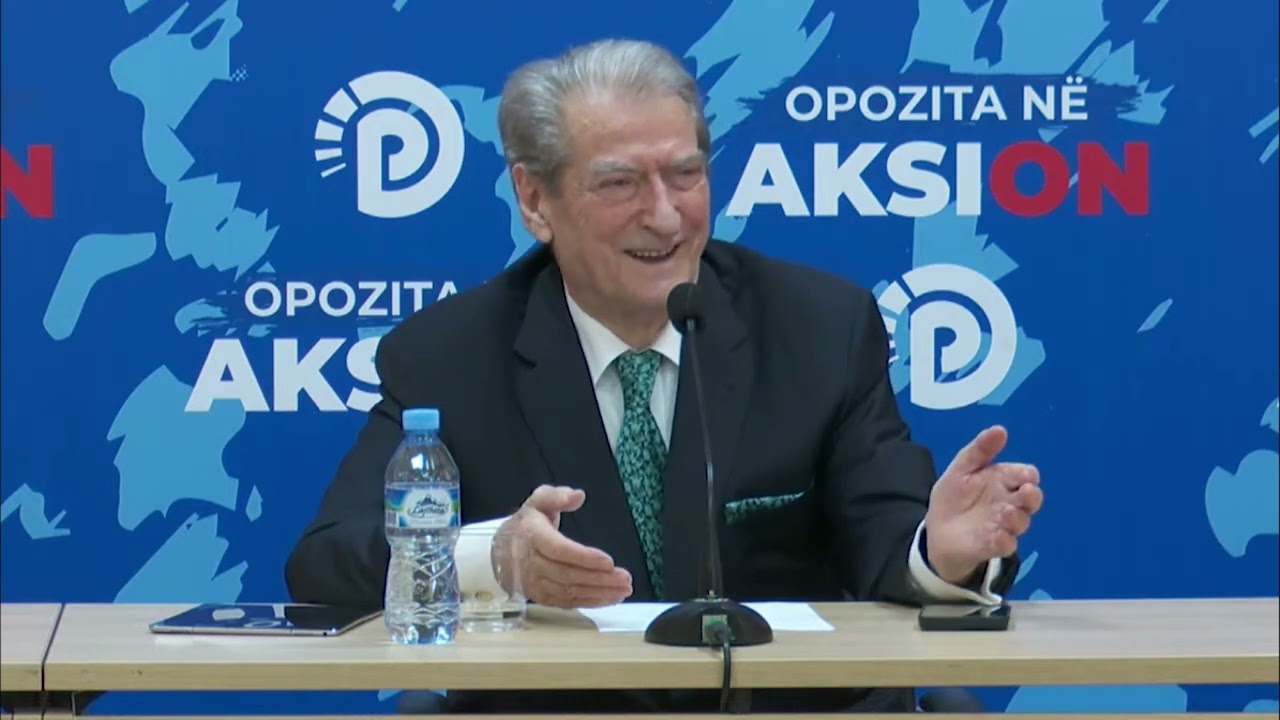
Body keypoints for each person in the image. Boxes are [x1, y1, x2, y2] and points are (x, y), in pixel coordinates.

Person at [285, 38, 1044, 713]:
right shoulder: (448, 356)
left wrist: (941, 555)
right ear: (535, 199)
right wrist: (493, 560)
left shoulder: (820, 327)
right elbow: (324, 564)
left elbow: (888, 535)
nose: (666, 216)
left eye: (686, 174)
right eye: (620, 184)